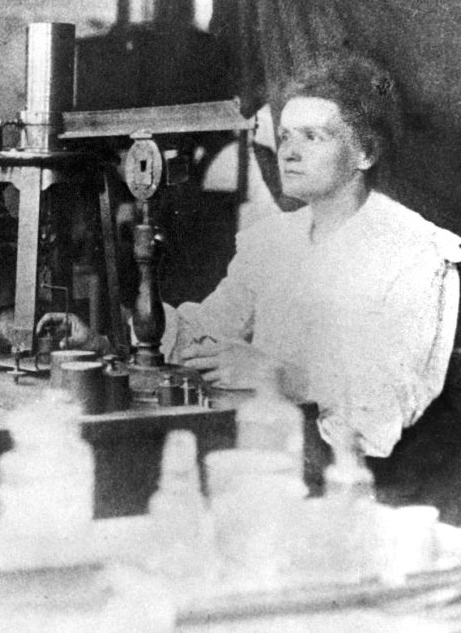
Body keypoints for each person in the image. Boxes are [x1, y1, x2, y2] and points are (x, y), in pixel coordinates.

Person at [165, 53, 461, 458]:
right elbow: (207, 331)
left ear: (365, 154)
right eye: (285, 135)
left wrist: (284, 378)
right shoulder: (272, 240)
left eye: (313, 136)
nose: (288, 153)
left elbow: (391, 408)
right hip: (263, 450)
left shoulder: (416, 254)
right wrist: (109, 335)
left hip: (366, 481)